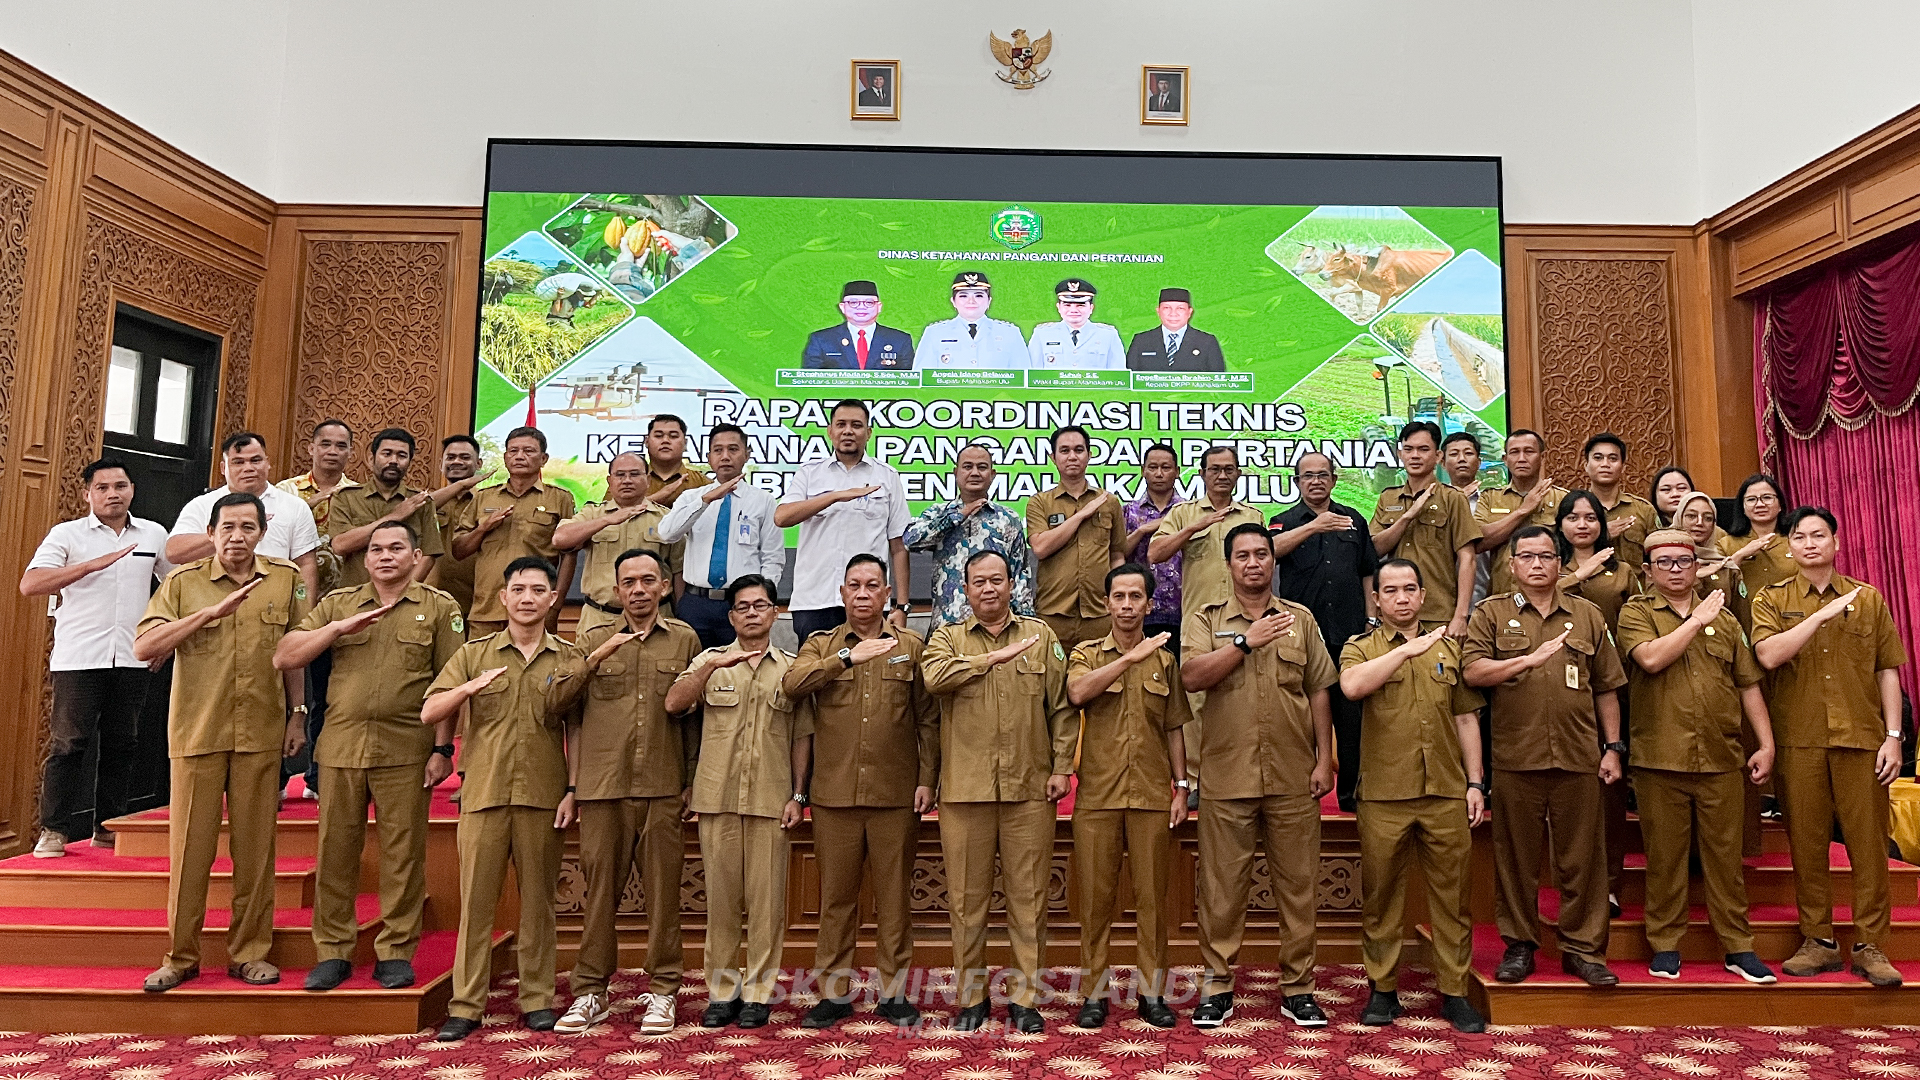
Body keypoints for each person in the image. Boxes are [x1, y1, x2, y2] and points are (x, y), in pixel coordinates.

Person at [272, 520, 464, 991]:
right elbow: (285, 655)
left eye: (396, 548)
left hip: (407, 748)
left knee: (403, 855)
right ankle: (333, 951)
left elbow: (450, 683)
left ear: (415, 557)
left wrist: (443, 749)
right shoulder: (338, 604)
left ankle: (396, 951)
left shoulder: (439, 608)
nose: (384, 556)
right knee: (335, 854)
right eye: (376, 549)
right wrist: (337, 628)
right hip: (341, 747)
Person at [134, 492, 309, 992]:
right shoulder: (182, 582)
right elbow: (144, 645)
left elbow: (295, 651)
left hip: (261, 731)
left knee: (256, 852)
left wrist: (298, 715)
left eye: (247, 527)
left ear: (262, 533)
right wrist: (206, 615)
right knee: (191, 852)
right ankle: (180, 956)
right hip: (197, 732)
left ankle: (250, 954)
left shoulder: (285, 580)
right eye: (227, 527)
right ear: (210, 533)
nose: (237, 537)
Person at [1181, 523, 1336, 1029]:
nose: (1253, 563)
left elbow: (1318, 688)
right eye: (1243, 555)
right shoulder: (1205, 619)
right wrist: (1244, 643)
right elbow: (1192, 677)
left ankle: (1299, 988)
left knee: (1299, 887)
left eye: (1262, 554)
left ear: (1273, 560)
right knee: (1222, 889)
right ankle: (1217, 987)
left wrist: (1324, 759)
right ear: (1228, 565)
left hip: (1293, 774)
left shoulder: (1300, 619)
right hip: (1227, 774)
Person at [1462, 525, 1627, 988]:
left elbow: (1607, 686)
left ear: (1560, 563)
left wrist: (1613, 748)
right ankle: (1519, 945)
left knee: (1583, 859)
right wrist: (1524, 662)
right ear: (1512, 565)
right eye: (1528, 557)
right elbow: (1472, 672)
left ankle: (1584, 950)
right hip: (1517, 756)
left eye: (1547, 557)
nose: (1537, 565)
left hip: (1579, 756)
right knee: (1516, 859)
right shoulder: (1491, 613)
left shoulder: (1587, 615)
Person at [1752, 506, 1909, 987]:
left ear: (1836, 542)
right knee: (1807, 844)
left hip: (1862, 739)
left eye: (1818, 535)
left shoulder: (1868, 598)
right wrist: (1821, 615)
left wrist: (1893, 737)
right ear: (1789, 547)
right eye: (1799, 537)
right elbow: (1768, 654)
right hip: (1798, 740)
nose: (1809, 543)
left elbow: (1887, 670)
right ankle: (1817, 940)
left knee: (1869, 846)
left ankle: (1870, 945)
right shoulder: (1771, 598)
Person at [547, 548, 702, 1036]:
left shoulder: (684, 639)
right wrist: (593, 661)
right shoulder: (591, 639)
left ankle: (664, 990)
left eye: (648, 580)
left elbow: (694, 719)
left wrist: (691, 781)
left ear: (664, 587)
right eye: (629, 582)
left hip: (662, 786)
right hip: (602, 788)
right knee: (598, 897)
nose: (638, 589)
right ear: (616, 590)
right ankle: (591, 991)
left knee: (664, 896)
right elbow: (557, 704)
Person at [921, 550, 1075, 1033]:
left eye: (997, 580)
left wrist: (1062, 766)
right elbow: (934, 679)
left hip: (1030, 789)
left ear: (1012, 584)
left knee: (1029, 899)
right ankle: (972, 998)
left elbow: (1061, 707)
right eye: (979, 582)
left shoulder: (1040, 637)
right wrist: (989, 660)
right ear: (965, 589)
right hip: (965, 790)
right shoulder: (946, 638)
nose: (989, 589)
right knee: (967, 903)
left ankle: (1026, 999)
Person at [425, 556, 579, 1040]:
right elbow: (431, 710)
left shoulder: (568, 657)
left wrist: (572, 790)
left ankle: (537, 999)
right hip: (484, 794)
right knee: (476, 906)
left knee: (540, 905)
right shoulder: (474, 654)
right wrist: (468, 689)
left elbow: (578, 729)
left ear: (553, 598)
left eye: (537, 590)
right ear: (503, 597)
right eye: (518, 589)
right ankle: (466, 1004)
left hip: (543, 794)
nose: (527, 598)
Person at [1616, 529, 1778, 984]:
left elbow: (1748, 683)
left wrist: (1766, 743)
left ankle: (1738, 947)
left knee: (1726, 860)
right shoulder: (1637, 612)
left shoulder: (1723, 620)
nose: (1675, 570)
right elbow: (1650, 659)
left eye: (1683, 561)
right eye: (1663, 562)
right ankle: (1666, 945)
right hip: (1659, 757)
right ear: (1647, 570)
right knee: (1665, 859)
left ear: (1696, 566)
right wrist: (1694, 621)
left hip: (1722, 755)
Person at [784, 554, 939, 1029]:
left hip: (896, 795)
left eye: (873, 585)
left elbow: (928, 719)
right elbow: (792, 685)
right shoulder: (821, 645)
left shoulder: (910, 647)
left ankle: (894, 992)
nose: (863, 593)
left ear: (888, 593)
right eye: (854, 585)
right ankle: (834, 994)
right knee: (836, 901)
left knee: (894, 900)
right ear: (842, 593)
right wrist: (847, 658)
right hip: (834, 795)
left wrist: (927, 778)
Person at [1337, 559, 1487, 1034]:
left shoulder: (1448, 648)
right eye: (1391, 591)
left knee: (1453, 898)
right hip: (1384, 794)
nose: (1401, 598)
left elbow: (1465, 718)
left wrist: (1475, 782)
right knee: (1381, 897)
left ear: (1423, 595)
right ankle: (1383, 990)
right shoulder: (1360, 648)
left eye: (1409, 589)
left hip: (1444, 790)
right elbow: (1352, 686)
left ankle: (1455, 992)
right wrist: (1405, 651)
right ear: (1376, 599)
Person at [667, 574, 815, 1029]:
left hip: (771, 799)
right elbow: (674, 704)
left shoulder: (791, 669)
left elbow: (802, 735)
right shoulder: (709, 661)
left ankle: (758, 994)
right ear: (731, 617)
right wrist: (710, 667)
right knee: (722, 904)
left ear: (776, 613)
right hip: (718, 798)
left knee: (767, 906)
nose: (752, 613)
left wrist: (798, 794)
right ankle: (722, 992)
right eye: (743, 607)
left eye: (761, 605)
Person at [23, 458, 175, 857]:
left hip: (133, 656)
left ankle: (107, 827)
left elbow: (175, 587)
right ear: (87, 494)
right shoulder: (67, 534)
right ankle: (53, 830)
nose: (113, 494)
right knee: (69, 744)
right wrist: (91, 565)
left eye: (120, 486)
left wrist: (165, 639)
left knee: (123, 744)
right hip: (79, 657)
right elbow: (31, 583)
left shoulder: (154, 534)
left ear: (132, 490)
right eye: (103, 488)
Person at [1065, 563, 1190, 1030]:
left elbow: (1174, 726)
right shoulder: (1086, 653)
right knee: (1095, 902)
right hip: (1098, 796)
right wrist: (1128, 659)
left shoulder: (1166, 661)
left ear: (1150, 604)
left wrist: (1181, 786)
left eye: (1136, 597)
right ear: (1106, 603)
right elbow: (1077, 693)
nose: (1126, 605)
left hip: (1151, 796)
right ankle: (1094, 993)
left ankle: (1152, 993)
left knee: (1153, 902)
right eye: (1118, 596)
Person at [1272, 451, 1378, 811]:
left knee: (1351, 719)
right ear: (1296, 482)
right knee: (1299, 717)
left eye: (1322, 475)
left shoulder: (1354, 519)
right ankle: (1298, 793)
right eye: (1308, 476)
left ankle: (1350, 796)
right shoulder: (1283, 521)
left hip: (1349, 634)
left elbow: (1368, 571)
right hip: (1300, 635)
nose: (1315, 481)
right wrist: (1314, 526)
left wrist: (1371, 620)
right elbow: (1270, 552)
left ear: (1334, 480)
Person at [1553, 489, 1641, 914]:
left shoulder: (1622, 571)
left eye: (1590, 517)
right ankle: (1572, 886)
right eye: (1573, 517)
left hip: (1611, 685)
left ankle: (1608, 886)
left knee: (1609, 791)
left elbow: (1637, 621)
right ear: (1560, 525)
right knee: (1566, 792)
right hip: (1555, 690)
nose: (1583, 524)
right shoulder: (1547, 566)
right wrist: (1578, 574)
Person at [775, 399, 910, 639]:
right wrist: (835, 496)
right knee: (815, 663)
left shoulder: (887, 476)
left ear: (868, 433)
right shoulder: (810, 472)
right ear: (830, 431)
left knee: (871, 663)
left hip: (868, 600)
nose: (848, 431)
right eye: (841, 425)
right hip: (814, 599)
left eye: (856, 425)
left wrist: (902, 606)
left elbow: (899, 546)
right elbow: (782, 517)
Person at [657, 423, 785, 650]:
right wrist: (705, 500)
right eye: (718, 450)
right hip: (696, 603)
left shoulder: (763, 501)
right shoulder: (691, 498)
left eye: (733, 449)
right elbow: (667, 533)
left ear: (747, 454)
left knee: (742, 666)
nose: (725, 456)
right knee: (693, 666)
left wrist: (762, 601)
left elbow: (772, 557)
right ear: (709, 457)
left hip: (742, 605)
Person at [450, 426, 577, 638]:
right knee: (482, 660)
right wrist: (483, 528)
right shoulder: (484, 497)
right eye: (513, 451)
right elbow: (459, 550)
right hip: (486, 609)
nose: (519, 456)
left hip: (535, 608)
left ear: (543, 459)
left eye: (528, 451)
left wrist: (555, 606)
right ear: (505, 457)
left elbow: (569, 555)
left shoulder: (559, 499)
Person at [167, 431, 319, 603]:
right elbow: (174, 553)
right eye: (238, 462)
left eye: (256, 460)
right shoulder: (202, 505)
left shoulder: (294, 507)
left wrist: (305, 609)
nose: (248, 468)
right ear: (223, 468)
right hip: (210, 604)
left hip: (273, 605)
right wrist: (225, 533)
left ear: (267, 463)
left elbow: (306, 564)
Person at [1370, 422, 1481, 637]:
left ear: (1438, 456)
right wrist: (1407, 517)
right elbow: (1375, 549)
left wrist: (1460, 616)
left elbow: (1468, 559)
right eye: (1408, 449)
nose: (1415, 456)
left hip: (1439, 614)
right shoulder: (1388, 497)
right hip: (1393, 613)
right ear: (1400, 454)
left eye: (1423, 449)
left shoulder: (1453, 498)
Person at [904, 443, 1034, 625]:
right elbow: (910, 541)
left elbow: (1020, 577)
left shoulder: (1008, 519)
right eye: (967, 467)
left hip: (995, 627)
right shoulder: (938, 513)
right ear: (955, 472)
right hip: (948, 626)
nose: (974, 473)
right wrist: (956, 516)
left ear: (992, 474)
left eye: (982, 467)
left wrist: (1026, 624)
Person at [555, 452, 682, 634]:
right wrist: (607, 520)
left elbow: (678, 571)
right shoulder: (593, 513)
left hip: (654, 618)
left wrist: (679, 617)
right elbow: (559, 539)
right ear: (610, 481)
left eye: (634, 474)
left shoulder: (666, 518)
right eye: (620, 475)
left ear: (647, 480)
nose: (627, 480)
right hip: (600, 619)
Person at [1028, 425, 1127, 647]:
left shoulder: (1109, 502)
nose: (1072, 456)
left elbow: (1117, 555)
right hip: (1053, 612)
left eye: (1079, 450)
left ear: (1089, 455)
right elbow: (1041, 548)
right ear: (1053, 458)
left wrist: (1118, 598)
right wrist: (1082, 515)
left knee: (1103, 668)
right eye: (1064, 451)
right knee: (1051, 670)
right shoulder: (1039, 502)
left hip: (1100, 612)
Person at [326, 428, 444, 588]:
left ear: (409, 462)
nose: (394, 460)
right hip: (354, 595)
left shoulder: (421, 502)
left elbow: (428, 554)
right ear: (371, 459)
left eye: (402, 455)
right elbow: (340, 545)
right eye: (387, 454)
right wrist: (394, 517)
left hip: (405, 597)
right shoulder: (346, 497)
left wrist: (401, 591)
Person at [1474, 430, 1568, 599]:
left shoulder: (1562, 499)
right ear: (1505, 459)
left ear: (1542, 457)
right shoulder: (1490, 497)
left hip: (1550, 596)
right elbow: (1479, 542)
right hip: (1503, 597)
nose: (1521, 458)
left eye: (1529, 451)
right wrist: (1523, 511)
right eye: (1514, 452)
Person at [277, 419, 361, 597]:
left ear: (351, 453)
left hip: (343, 593)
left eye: (341, 446)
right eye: (325, 444)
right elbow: (270, 534)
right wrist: (305, 506)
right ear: (311, 448)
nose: (332, 451)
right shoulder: (285, 490)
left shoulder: (357, 494)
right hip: (291, 588)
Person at [1122, 442, 1184, 651]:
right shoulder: (1128, 511)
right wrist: (1141, 531)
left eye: (1166, 468)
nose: (1159, 473)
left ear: (1177, 471)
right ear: (1143, 471)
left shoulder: (1188, 510)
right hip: (1139, 609)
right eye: (1153, 467)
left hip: (1183, 607)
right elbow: (1119, 553)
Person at [1719, 474, 1796, 632]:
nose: (1760, 504)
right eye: (1751, 499)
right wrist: (1739, 556)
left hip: (1792, 625)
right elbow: (1715, 586)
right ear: (1742, 507)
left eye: (1767, 498)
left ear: (1780, 504)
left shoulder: (1797, 541)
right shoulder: (1726, 544)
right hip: (1742, 627)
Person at [425, 434, 488, 617]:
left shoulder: (488, 501)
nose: (457, 462)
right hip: (433, 597)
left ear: (479, 464)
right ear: (441, 464)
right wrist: (459, 486)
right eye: (451, 457)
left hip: (478, 600)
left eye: (465, 457)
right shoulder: (427, 502)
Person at [1580, 432, 1658, 571]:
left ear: (1623, 467)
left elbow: (1659, 555)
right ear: (1586, 465)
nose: (1605, 464)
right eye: (1598, 458)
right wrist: (1601, 535)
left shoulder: (1643, 509)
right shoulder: (1573, 508)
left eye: (1613, 458)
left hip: (1635, 584)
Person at [917, 270, 1027, 369]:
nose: (971, 301)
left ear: (989, 301)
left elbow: (1024, 377)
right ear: (953, 301)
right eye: (963, 296)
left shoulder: (1010, 333)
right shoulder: (934, 333)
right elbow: (921, 378)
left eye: (978, 296)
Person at [802, 281, 915, 370]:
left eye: (869, 302)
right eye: (853, 302)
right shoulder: (821, 339)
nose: (861, 307)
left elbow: (909, 380)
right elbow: (811, 379)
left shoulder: (900, 340)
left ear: (879, 307)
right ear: (842, 307)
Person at [1027, 279, 1125, 370]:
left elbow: (1118, 375)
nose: (1073, 310)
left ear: (1091, 308)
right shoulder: (1042, 334)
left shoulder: (1108, 335)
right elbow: (1032, 374)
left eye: (1080, 305)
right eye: (1067, 305)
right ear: (1058, 307)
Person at [1442, 431, 1492, 605]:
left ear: (1479, 462)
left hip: (1487, 597)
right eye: (1454, 454)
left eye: (1468, 453)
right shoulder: (1433, 502)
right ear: (1442, 462)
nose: (1462, 459)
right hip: (1442, 601)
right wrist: (1458, 499)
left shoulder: (1491, 501)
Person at [1125, 288, 1224, 372]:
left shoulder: (1206, 342)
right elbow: (1128, 378)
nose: (1173, 314)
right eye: (1167, 308)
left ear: (1189, 312)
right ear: (1158, 311)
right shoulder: (1141, 341)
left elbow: (1218, 380)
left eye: (1180, 308)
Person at [643, 414, 710, 504]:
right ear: (646, 442)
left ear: (685, 443)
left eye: (673, 436)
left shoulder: (703, 484)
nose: (665, 440)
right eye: (659, 436)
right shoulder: (631, 481)